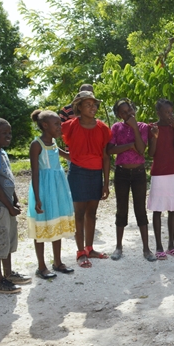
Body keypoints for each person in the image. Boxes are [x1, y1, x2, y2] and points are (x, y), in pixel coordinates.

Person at [61, 91, 111, 267]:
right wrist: (64, 154)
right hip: (78, 173)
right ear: (79, 107)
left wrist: (106, 183)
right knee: (79, 213)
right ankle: (80, 252)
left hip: (96, 174)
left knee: (92, 213)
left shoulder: (102, 128)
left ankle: (90, 248)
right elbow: (49, 136)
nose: (93, 107)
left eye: (94, 104)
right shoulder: (70, 126)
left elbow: (106, 157)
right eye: (88, 104)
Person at [0, 118, 31, 293]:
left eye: (9, 132)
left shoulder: (1, 152)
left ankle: (8, 274)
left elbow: (8, 179)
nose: (8, 136)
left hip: (6, 205)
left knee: (7, 242)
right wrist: (9, 207)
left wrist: (14, 200)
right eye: (4, 133)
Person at [27, 110, 75, 280]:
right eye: (56, 124)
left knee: (57, 221)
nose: (60, 127)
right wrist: (37, 197)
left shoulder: (53, 142)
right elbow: (34, 172)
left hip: (58, 188)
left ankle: (58, 262)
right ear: (45, 125)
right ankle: (41, 266)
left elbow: (67, 155)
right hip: (44, 189)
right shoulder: (36, 144)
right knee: (41, 226)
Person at [106, 99, 154, 261]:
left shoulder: (142, 127)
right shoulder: (116, 127)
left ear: (134, 109)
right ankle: (118, 247)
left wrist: (134, 127)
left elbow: (141, 149)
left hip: (139, 173)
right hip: (122, 173)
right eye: (124, 112)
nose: (128, 114)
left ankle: (146, 248)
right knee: (121, 209)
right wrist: (129, 145)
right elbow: (110, 150)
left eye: (130, 110)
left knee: (140, 209)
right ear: (119, 115)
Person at [148, 99, 174, 259]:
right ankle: (159, 247)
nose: (170, 115)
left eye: (171, 112)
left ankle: (171, 246)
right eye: (166, 112)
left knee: (172, 209)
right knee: (157, 209)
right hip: (158, 173)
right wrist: (155, 136)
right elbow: (151, 153)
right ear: (158, 113)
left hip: (172, 172)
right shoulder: (153, 128)